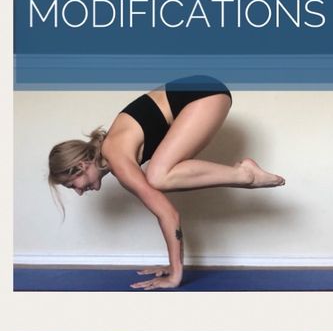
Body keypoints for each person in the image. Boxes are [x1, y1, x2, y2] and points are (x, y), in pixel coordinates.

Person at [47, 75, 285, 290]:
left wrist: (175, 276)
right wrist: (173, 265)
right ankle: (245, 174)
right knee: (158, 175)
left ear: (80, 166)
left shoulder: (116, 156)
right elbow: (163, 211)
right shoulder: (118, 161)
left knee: (157, 175)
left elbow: (168, 214)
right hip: (200, 93)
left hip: (203, 93)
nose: (78, 192)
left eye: (72, 184)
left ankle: (246, 175)